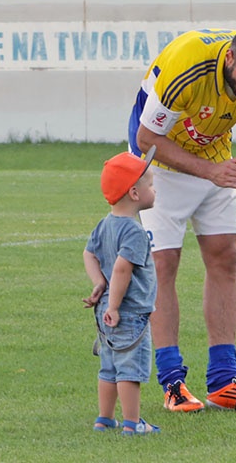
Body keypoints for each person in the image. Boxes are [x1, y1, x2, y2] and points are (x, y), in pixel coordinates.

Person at [128, 26, 236, 411]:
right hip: (160, 165)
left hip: (216, 162)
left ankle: (224, 381)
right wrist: (209, 171)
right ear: (230, 58)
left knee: (225, 258)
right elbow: (146, 138)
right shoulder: (188, 65)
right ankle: (172, 384)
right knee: (163, 263)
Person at [83, 147, 160, 435]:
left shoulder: (104, 225)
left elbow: (88, 254)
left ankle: (104, 418)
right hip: (127, 313)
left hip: (105, 309)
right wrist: (115, 306)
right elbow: (122, 269)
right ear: (135, 194)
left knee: (109, 366)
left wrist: (98, 285)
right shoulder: (134, 232)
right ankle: (132, 423)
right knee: (130, 368)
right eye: (151, 185)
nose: (154, 190)